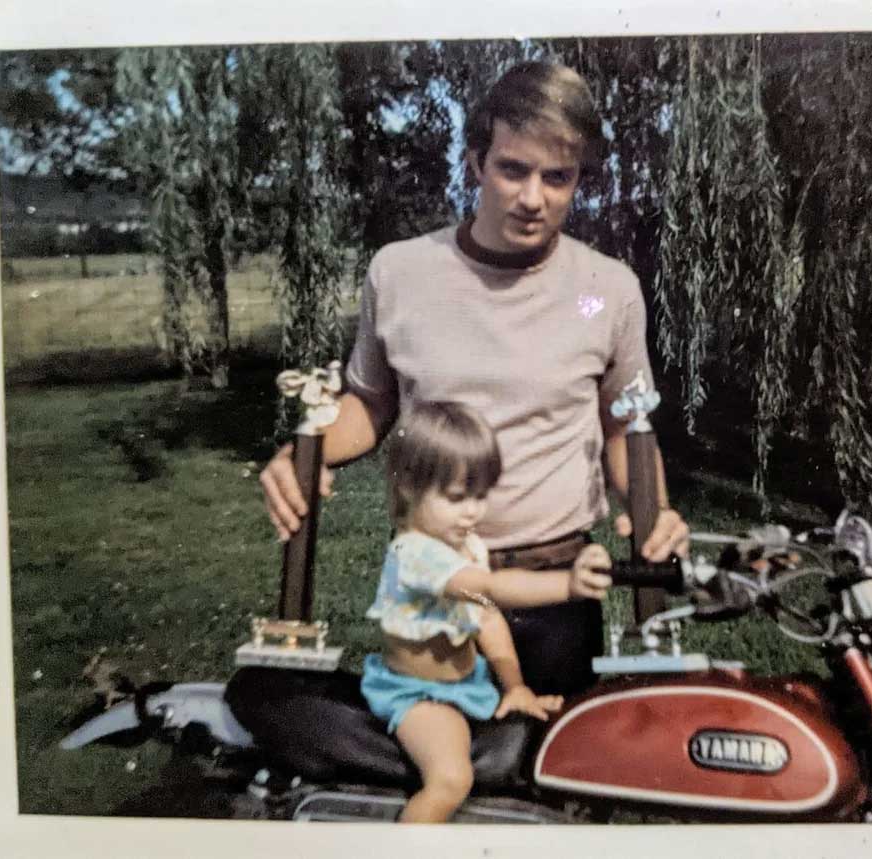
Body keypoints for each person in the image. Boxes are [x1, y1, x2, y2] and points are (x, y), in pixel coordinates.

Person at [260, 60, 689, 697]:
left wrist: (656, 510)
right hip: (435, 588)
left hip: (558, 589)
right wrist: (307, 448)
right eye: (512, 168)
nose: (532, 197)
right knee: (433, 770)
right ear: (474, 163)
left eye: (557, 177)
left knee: (555, 779)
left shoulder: (608, 291)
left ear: (578, 181)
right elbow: (371, 404)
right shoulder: (401, 272)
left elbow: (626, 424)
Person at [361, 400, 611, 822]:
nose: (473, 511)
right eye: (458, 497)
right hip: (419, 696)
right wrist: (567, 585)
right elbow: (490, 587)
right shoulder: (415, 555)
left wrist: (514, 684)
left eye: (480, 496)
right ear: (408, 487)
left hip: (466, 685)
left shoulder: (465, 546)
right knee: (450, 780)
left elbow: (487, 615)